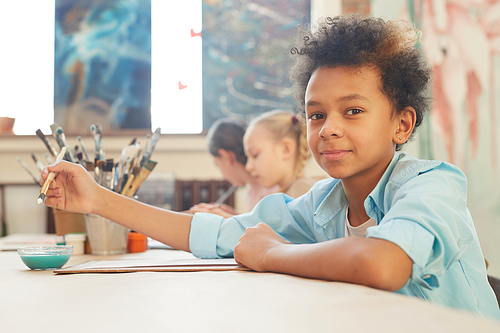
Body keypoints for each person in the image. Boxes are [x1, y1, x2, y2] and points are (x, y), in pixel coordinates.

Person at [41, 15, 500, 319]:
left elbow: (384, 265)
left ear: (402, 123)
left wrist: (272, 253)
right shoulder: (321, 204)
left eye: (353, 111)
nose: (328, 129)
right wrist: (98, 200)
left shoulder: (432, 185)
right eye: (316, 114)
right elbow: (214, 235)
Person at [188, 118, 278, 218]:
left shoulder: (269, 187)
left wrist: (225, 217)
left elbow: (265, 229)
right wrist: (233, 215)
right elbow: (256, 221)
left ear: (226, 157)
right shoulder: (252, 191)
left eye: (218, 164)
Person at [243, 110, 318, 198]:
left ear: (286, 149)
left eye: (255, 155)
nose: (248, 167)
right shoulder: (285, 193)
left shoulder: (303, 190)